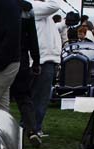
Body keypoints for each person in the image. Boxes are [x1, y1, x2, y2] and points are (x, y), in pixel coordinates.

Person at [10, 0, 41, 147]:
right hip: (20, 57)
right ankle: (32, 130)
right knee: (24, 97)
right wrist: (36, 60)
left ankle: (2, 132)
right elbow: (33, 36)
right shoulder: (26, 8)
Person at [31, 0, 61, 137]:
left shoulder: (41, 11)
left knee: (36, 97)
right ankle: (34, 128)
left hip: (45, 59)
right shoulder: (33, 5)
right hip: (42, 60)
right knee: (40, 97)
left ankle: (30, 126)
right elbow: (55, 5)